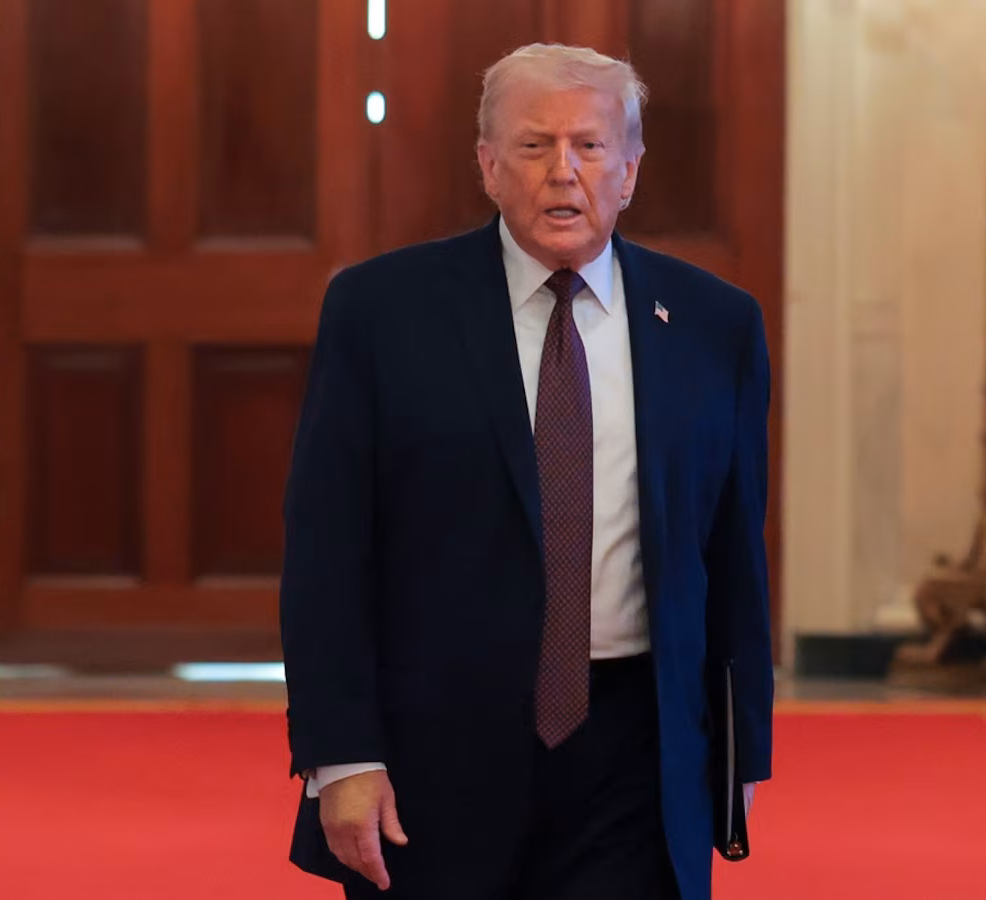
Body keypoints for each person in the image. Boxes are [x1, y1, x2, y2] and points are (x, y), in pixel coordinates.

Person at [279, 42, 773, 900]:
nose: (563, 172)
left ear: (629, 170)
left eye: (589, 146)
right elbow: (326, 555)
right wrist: (343, 755)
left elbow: (734, 558)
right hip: (436, 754)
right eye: (535, 146)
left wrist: (740, 756)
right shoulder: (382, 313)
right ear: (488, 165)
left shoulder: (712, 325)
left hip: (638, 752)